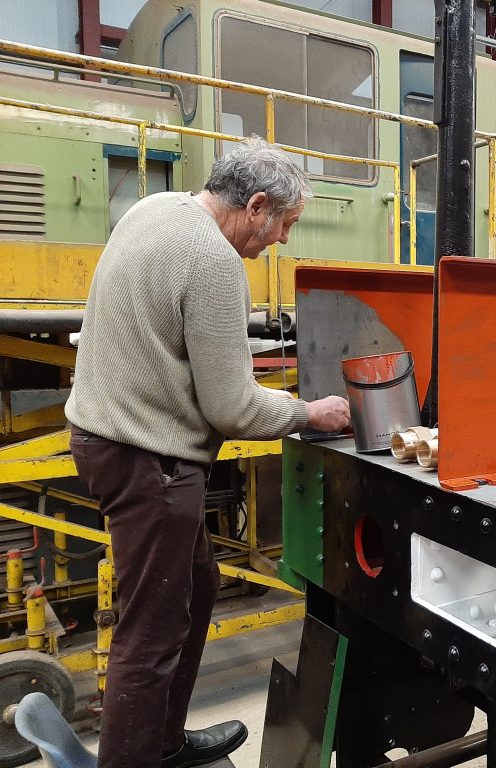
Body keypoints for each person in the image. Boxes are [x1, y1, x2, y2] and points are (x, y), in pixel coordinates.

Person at [65, 137, 350, 768]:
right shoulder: (216, 262)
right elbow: (234, 409)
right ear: (255, 206)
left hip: (109, 439)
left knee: (195, 584)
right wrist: (311, 413)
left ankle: (164, 742)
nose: (282, 241)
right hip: (148, 459)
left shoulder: (157, 207)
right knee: (151, 635)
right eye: (286, 225)